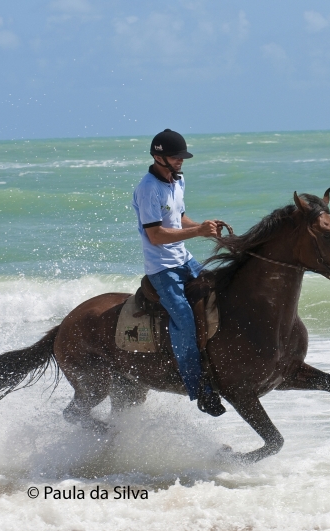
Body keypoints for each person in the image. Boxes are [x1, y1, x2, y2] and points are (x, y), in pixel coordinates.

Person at [131, 129, 226, 417]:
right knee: (184, 319)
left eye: (182, 157)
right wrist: (196, 231)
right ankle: (198, 389)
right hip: (162, 268)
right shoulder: (148, 188)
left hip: (184, 259)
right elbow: (157, 235)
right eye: (175, 157)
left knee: (220, 292)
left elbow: (177, 217)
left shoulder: (177, 180)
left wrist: (204, 229)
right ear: (158, 157)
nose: (181, 161)